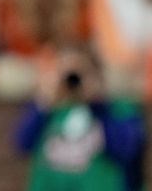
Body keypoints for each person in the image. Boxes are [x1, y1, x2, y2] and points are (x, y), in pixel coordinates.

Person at [14, 45, 146, 191]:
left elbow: (126, 149)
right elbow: (21, 143)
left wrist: (96, 102)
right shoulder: (48, 109)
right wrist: (46, 99)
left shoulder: (116, 109)